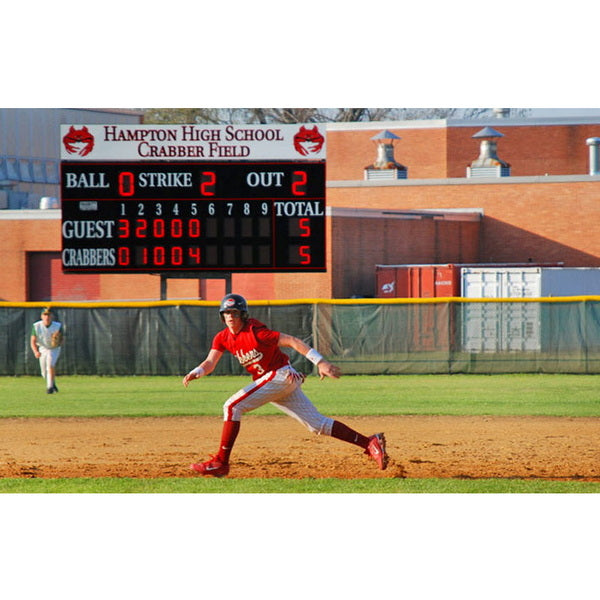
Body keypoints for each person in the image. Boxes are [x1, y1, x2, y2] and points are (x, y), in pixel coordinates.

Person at [183, 293, 389, 477]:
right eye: (226, 313)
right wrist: (197, 372)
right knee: (317, 425)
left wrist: (320, 362)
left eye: (235, 313)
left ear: (243, 315)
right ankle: (369, 443)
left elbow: (292, 340)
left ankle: (220, 462)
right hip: (276, 381)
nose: (230, 317)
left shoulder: (256, 332)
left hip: (279, 377)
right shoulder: (223, 337)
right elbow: (210, 363)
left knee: (231, 406)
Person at [30, 307, 64, 394]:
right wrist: (35, 351)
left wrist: (58, 341)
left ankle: (49, 388)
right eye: (45, 315)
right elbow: (33, 341)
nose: (47, 317)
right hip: (42, 348)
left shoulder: (57, 326)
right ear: (41, 316)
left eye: (48, 315)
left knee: (50, 365)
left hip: (54, 349)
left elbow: (62, 340)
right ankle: (52, 383)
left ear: (51, 316)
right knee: (44, 372)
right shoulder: (36, 326)